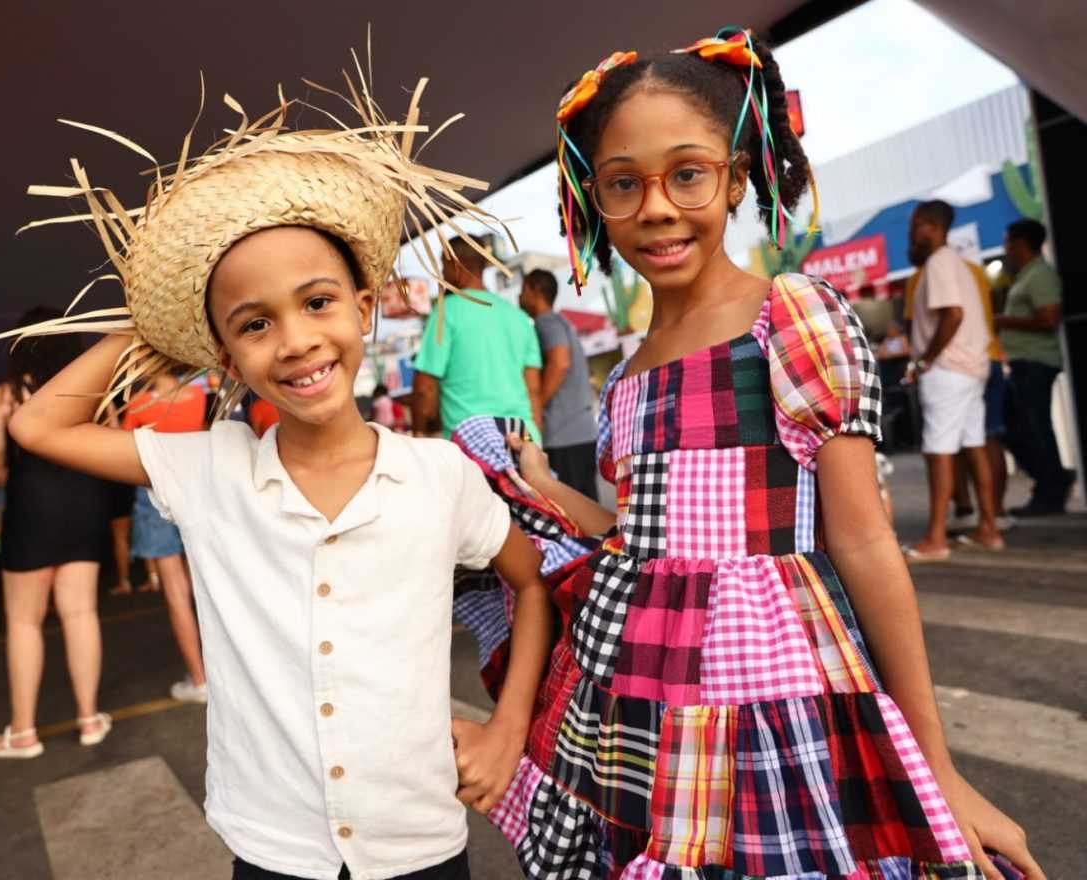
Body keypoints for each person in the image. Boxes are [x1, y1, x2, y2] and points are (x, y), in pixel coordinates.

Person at [474, 32, 1040, 880]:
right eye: (624, 183)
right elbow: (644, 540)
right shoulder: (624, 372)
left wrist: (939, 770)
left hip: (772, 698)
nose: (657, 207)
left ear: (739, 176)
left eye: (689, 173)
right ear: (593, 200)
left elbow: (864, 541)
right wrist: (543, 488)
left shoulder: (792, 315)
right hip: (634, 703)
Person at [3, 69, 551, 880]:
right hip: (270, 848)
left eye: (319, 302)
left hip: (420, 841)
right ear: (227, 357)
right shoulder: (209, 469)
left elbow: (532, 584)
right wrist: (143, 324)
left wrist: (508, 731)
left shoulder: (441, 476)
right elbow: (35, 424)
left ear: (365, 309)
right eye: (256, 324)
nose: (295, 341)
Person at [0, 307, 114, 758]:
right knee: (81, 614)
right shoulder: (91, 389)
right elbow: (112, 443)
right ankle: (90, 718)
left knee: (23, 621)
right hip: (83, 504)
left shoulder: (8, 394)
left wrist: (19, 480)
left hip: (30, 507)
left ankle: (23, 732)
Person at [904, 200, 1004, 558]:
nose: (912, 233)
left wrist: (925, 360)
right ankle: (989, 528)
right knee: (973, 445)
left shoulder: (939, 263)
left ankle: (935, 539)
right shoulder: (960, 264)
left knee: (939, 451)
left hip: (947, 370)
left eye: (915, 225)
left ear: (930, 225)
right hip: (973, 367)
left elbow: (953, 314)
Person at [123, 371, 210, 702]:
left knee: (176, 594)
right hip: (198, 488)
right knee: (210, 584)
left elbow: (124, 450)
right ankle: (224, 670)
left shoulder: (139, 403)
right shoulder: (199, 397)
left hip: (153, 493)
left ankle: (200, 680)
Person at [411, 238, 543, 441]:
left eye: (443, 266)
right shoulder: (519, 318)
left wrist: (419, 434)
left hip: (472, 447)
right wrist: (536, 444)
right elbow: (533, 392)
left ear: (455, 265)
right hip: (523, 439)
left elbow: (424, 388)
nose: (442, 274)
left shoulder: (446, 312)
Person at [996, 219, 1073, 515]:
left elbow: (1049, 318)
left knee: (1035, 428)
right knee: (1019, 426)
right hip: (1025, 362)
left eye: (1008, 241)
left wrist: (1004, 321)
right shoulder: (1027, 274)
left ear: (1021, 242)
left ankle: (1050, 489)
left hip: (1036, 361)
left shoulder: (1040, 275)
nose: (1006, 247)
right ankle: (1050, 480)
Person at [517, 268, 599, 499]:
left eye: (523, 290)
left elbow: (560, 362)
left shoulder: (546, 323)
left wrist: (538, 405)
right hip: (581, 433)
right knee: (588, 509)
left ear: (536, 291)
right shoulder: (561, 322)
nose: (519, 296)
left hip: (564, 436)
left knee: (572, 514)